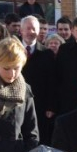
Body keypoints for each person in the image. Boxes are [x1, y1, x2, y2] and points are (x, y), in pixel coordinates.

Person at [20, 16, 58, 144]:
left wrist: (51, 106)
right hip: (16, 102)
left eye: (34, 29)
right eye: (28, 28)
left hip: (40, 105)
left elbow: (53, 81)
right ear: (21, 30)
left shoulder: (46, 54)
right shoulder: (14, 50)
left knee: (38, 138)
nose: (31, 32)